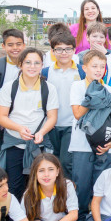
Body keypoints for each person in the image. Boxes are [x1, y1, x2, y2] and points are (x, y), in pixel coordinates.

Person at [0, 48, 60, 200]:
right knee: (14, 185)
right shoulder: (9, 88)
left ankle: (36, 217)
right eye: (28, 62)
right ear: (20, 65)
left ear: (42, 65)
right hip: (14, 143)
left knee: (40, 184)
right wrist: (18, 128)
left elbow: (52, 117)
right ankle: (15, 219)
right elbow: (2, 117)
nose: (32, 66)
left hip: (39, 144)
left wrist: (41, 132)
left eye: (37, 63)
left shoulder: (49, 88)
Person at [69, 50, 111, 221]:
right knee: (81, 184)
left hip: (104, 144)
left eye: (102, 66)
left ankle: (99, 219)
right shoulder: (77, 86)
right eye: (94, 66)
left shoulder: (109, 88)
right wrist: (92, 97)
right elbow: (77, 114)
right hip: (81, 144)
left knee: (101, 184)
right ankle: (80, 220)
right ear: (84, 68)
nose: (98, 70)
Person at [0, 28, 26, 164]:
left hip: (27, 122)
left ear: (24, 45)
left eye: (18, 44)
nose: (15, 48)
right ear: (3, 46)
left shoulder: (31, 65)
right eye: (10, 44)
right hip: (2, 124)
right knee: (0, 160)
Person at [21, 154, 78, 221]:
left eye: (51, 169)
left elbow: (73, 214)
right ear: (35, 174)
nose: (46, 174)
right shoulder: (29, 193)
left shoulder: (66, 185)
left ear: (57, 171)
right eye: (41, 170)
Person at [43, 33, 79, 177]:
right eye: (59, 49)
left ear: (74, 50)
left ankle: (67, 193)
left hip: (72, 125)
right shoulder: (46, 72)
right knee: (52, 161)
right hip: (50, 125)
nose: (64, 53)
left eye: (68, 49)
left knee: (65, 162)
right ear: (52, 51)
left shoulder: (82, 71)